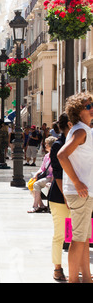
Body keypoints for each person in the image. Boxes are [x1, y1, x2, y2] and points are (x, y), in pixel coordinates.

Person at [57, 92, 93, 283]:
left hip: (85, 193)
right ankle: (73, 280)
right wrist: (77, 182)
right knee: (78, 240)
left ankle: (86, 278)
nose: (92, 108)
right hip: (81, 193)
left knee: (84, 239)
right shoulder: (80, 131)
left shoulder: (83, 129)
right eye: (88, 106)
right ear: (79, 112)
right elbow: (62, 155)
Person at [47, 113, 71, 282]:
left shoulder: (81, 143)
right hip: (60, 197)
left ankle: (77, 267)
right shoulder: (58, 145)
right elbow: (58, 174)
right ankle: (57, 268)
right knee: (60, 235)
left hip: (79, 195)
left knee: (79, 236)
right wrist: (67, 197)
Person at [27, 136, 56, 213]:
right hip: (46, 177)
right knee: (31, 184)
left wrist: (52, 181)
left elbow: (55, 170)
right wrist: (36, 174)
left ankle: (35, 206)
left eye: (46, 144)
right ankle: (42, 205)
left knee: (36, 184)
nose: (45, 145)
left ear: (51, 145)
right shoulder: (46, 156)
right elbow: (42, 168)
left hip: (51, 178)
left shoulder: (55, 156)